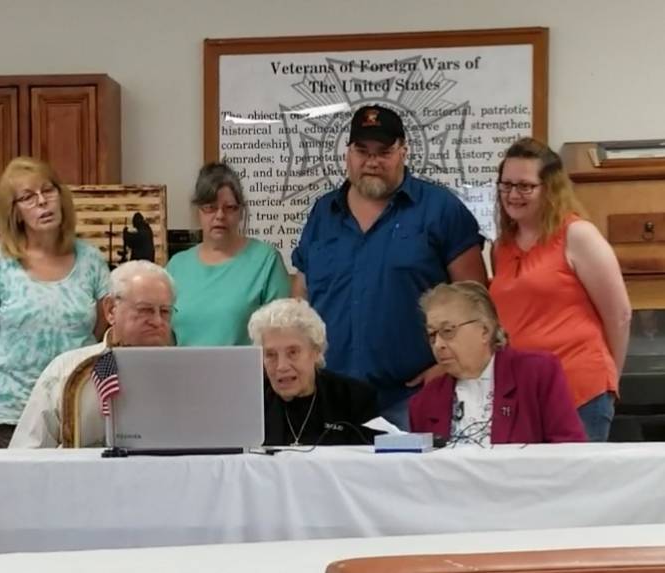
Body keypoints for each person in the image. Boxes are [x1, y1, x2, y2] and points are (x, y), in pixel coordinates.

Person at [292, 105, 486, 430]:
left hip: (413, 398)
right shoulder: (323, 213)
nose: (372, 162)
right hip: (329, 398)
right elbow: (300, 300)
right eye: (362, 151)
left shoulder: (440, 208)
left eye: (384, 152)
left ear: (404, 152)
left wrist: (447, 366)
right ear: (348, 154)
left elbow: (477, 300)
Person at [0, 157, 111, 447]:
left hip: (73, 411)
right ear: (14, 213)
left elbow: (103, 330)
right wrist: (1, 380)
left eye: (48, 191)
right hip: (9, 415)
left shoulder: (91, 260)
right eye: (28, 197)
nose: (42, 202)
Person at [489, 138, 631, 442]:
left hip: (579, 392)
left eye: (525, 186)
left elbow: (619, 315)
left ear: (550, 188)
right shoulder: (501, 248)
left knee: (578, 487)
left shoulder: (578, 235)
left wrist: (609, 380)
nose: (513, 194)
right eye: (506, 185)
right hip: (523, 396)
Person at [10, 261, 175, 448]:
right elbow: (26, 453)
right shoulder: (66, 371)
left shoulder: (185, 376)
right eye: (145, 310)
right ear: (111, 310)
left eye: (165, 311)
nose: (157, 321)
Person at [410, 281, 587, 445]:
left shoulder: (536, 374)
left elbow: (569, 450)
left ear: (485, 331)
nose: (438, 344)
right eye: (432, 335)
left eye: (447, 331)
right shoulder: (424, 402)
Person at [167, 162, 290, 346]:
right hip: (183, 373)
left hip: (245, 373)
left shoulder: (266, 261)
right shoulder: (176, 267)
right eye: (210, 207)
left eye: (229, 207)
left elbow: (281, 336)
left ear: (241, 212)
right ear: (197, 211)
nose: (219, 215)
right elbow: (163, 335)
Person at [248, 298, 378, 447]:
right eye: (270, 355)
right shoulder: (250, 404)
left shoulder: (355, 399)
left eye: (293, 352)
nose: (281, 366)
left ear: (316, 351)